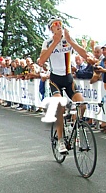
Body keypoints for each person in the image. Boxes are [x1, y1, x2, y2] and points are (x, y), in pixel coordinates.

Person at [39, 16, 88, 153]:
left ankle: (73, 128)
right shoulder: (47, 42)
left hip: (68, 79)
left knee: (82, 105)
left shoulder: (68, 40)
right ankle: (60, 140)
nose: (59, 25)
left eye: (60, 23)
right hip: (55, 80)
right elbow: (41, 61)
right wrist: (55, 42)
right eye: (55, 24)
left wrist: (71, 41)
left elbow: (84, 54)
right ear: (51, 28)